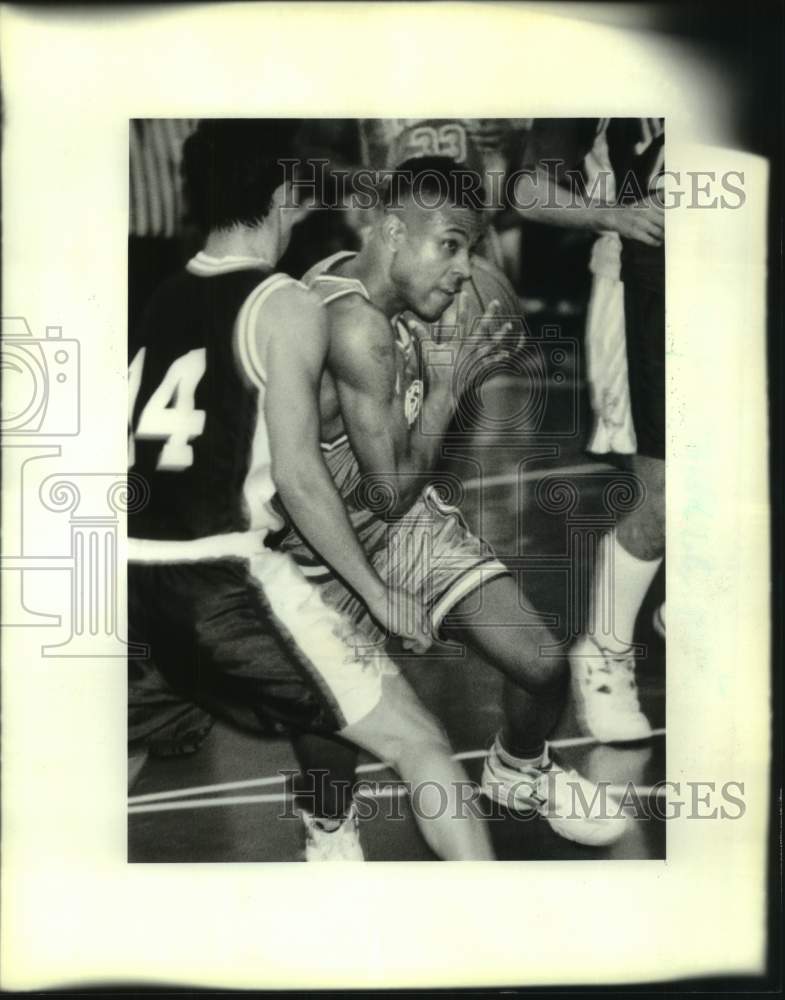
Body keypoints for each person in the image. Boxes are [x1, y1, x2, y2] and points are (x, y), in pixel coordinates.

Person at [127, 120, 494, 862]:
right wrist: (377, 591)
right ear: (286, 193)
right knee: (421, 742)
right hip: (222, 580)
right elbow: (299, 477)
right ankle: (494, 944)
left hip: (128, 577)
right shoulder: (283, 304)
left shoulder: (163, 294)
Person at [273, 157, 629, 848]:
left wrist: (460, 335)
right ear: (389, 233)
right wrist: (444, 384)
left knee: (540, 661)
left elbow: (398, 493)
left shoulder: (381, 284)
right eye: (449, 245)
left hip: (398, 523)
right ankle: (326, 824)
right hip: (318, 546)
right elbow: (391, 487)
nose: (463, 267)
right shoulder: (352, 324)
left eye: (469, 247)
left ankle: (518, 770)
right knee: (328, 727)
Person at [514, 118, 666, 742]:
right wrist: (615, 214)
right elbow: (526, 190)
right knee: (666, 495)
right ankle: (603, 649)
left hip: (737, 278)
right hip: (645, 287)